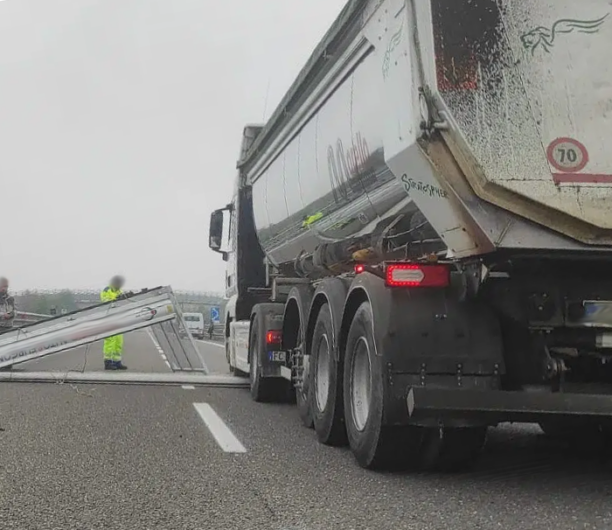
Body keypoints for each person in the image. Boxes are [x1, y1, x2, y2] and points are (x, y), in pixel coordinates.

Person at [100, 275, 128, 370]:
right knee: (110, 340)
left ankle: (117, 362)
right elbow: (106, 302)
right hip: (109, 318)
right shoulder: (107, 290)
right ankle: (108, 362)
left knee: (118, 341)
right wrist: (116, 299)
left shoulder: (119, 291)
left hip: (118, 318)